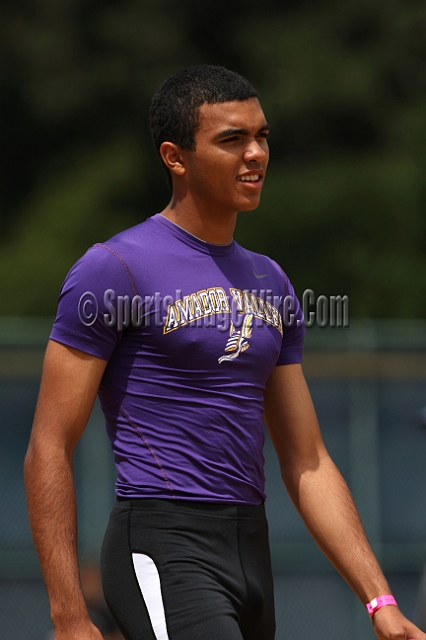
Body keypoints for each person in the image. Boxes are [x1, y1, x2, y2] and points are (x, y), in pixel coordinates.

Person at [24, 64, 426, 640]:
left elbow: (307, 460)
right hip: (162, 544)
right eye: (232, 140)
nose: (256, 154)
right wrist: (68, 615)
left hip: (249, 550)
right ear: (175, 157)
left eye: (262, 136)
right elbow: (48, 446)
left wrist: (380, 601)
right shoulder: (115, 269)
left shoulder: (272, 282)